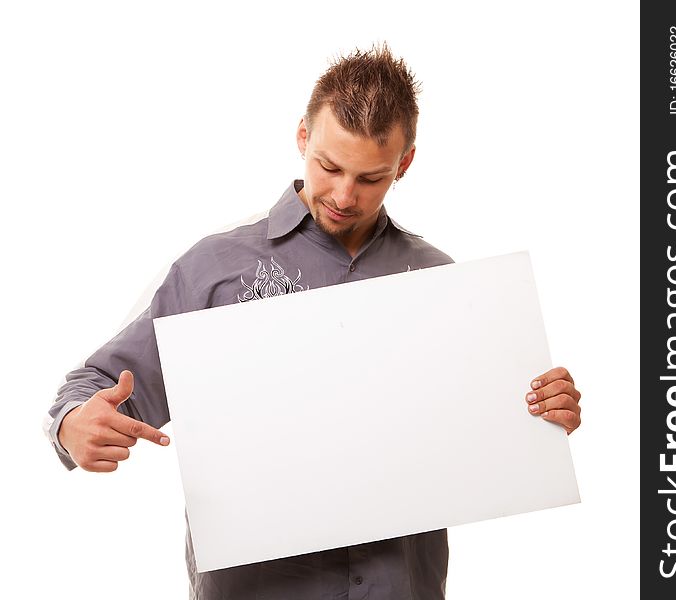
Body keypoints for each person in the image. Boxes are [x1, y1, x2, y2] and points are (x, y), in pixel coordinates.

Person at [45, 43, 582, 600]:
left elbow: (487, 429)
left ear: (405, 163)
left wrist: (543, 414)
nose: (345, 196)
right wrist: (73, 425)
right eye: (329, 167)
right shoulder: (213, 269)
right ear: (302, 137)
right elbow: (93, 387)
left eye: (371, 178)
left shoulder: (442, 283)